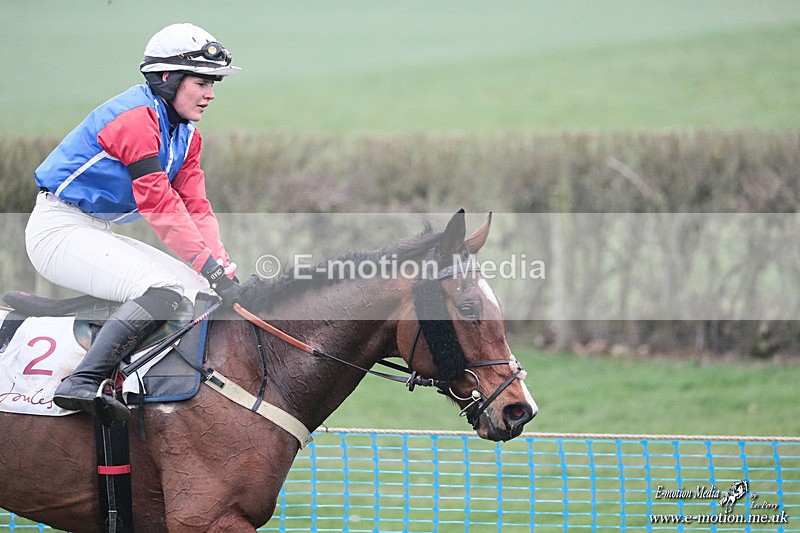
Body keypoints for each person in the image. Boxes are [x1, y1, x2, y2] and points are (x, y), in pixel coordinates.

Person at [26, 23, 245, 420]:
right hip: (57, 230)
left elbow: (196, 206)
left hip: (92, 229)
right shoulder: (135, 119)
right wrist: (208, 266)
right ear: (167, 77)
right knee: (168, 290)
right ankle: (83, 381)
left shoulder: (188, 136)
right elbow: (159, 205)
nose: (211, 94)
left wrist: (221, 267)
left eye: (214, 83)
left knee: (201, 291)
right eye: (202, 82)